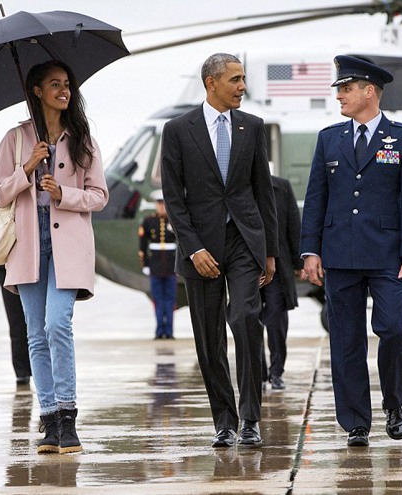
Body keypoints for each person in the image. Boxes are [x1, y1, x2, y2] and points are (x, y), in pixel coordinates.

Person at [300, 55, 402, 447]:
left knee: (393, 329)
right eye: (339, 88)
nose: (339, 95)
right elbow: (315, 198)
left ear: (369, 91)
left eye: (346, 88)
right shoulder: (329, 138)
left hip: (388, 255)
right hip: (339, 254)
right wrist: (310, 251)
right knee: (346, 339)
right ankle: (356, 422)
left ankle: (394, 404)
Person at [0, 60, 108, 455]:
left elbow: (99, 196)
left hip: (68, 245)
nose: (64, 90)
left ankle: (69, 416)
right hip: (27, 244)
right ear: (36, 91)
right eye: (54, 84)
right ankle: (50, 420)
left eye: (67, 84)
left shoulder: (83, 138)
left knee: (58, 324)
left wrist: (63, 195)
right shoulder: (15, 138)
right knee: (35, 334)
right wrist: (25, 169)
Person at [161, 53, 278, 448]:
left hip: (245, 240)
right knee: (209, 338)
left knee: (245, 317)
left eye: (243, 79)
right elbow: (173, 198)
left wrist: (271, 252)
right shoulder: (177, 130)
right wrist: (193, 249)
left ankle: (249, 418)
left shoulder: (253, 126)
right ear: (211, 83)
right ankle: (224, 421)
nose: (242, 86)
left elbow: (264, 192)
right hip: (201, 246)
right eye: (235, 79)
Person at [260, 175, 303, 391]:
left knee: (276, 320)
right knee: (250, 319)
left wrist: (299, 262)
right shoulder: (239, 184)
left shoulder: (281, 186)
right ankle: (258, 371)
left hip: (277, 265)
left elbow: (293, 225)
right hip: (247, 265)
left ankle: (276, 371)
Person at [138, 190, 177, 340]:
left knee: (170, 300)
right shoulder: (148, 221)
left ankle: (170, 331)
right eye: (159, 204)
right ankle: (159, 330)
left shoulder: (173, 221)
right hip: (155, 266)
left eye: (163, 204)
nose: (161, 207)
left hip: (170, 266)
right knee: (157, 300)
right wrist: (145, 265)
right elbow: (142, 246)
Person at [0, 265, 32, 386]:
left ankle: (26, 372)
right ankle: (22, 373)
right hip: (7, 266)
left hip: (33, 263)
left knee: (39, 322)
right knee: (17, 323)